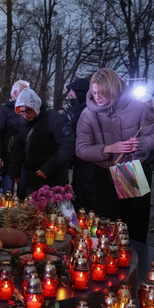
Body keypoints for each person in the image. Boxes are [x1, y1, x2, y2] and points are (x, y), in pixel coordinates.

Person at [76, 68, 154, 243]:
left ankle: (136, 261)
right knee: (107, 222)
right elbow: (81, 149)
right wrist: (108, 148)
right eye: (94, 92)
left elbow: (153, 136)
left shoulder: (138, 108)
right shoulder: (87, 114)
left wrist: (141, 144)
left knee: (134, 223)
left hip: (131, 170)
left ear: (114, 89)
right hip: (103, 171)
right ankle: (108, 260)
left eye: (102, 93)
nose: (97, 97)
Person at [10, 88, 75, 193]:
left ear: (35, 106)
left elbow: (68, 144)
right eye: (22, 112)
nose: (25, 115)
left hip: (53, 178)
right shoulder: (23, 123)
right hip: (32, 179)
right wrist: (15, 170)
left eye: (28, 110)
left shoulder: (52, 119)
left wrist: (49, 168)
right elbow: (19, 147)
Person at [0, 80, 29, 197]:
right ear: (15, 93)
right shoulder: (4, 111)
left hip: (25, 158)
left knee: (25, 192)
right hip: (9, 158)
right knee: (8, 193)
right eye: (24, 91)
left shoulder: (28, 111)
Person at [66, 77, 96, 212]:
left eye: (71, 91)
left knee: (87, 192)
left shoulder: (86, 109)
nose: (69, 94)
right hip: (83, 157)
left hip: (89, 160)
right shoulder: (80, 108)